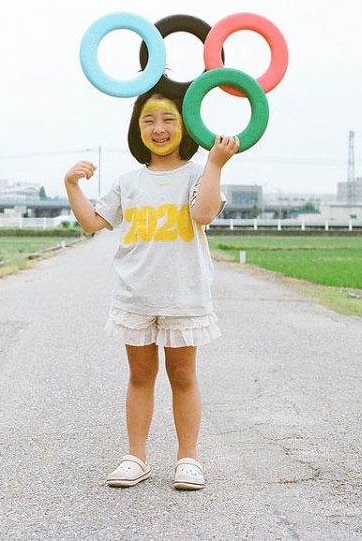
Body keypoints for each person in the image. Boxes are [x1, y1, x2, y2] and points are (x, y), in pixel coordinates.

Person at [64, 78, 239, 490]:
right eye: (148, 120)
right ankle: (136, 456)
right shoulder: (128, 181)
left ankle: (188, 459)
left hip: (184, 296)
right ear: (137, 129)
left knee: (183, 377)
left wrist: (215, 164)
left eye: (167, 119)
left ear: (186, 125)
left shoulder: (199, 172)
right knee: (140, 377)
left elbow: (204, 214)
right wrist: (71, 185)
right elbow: (92, 222)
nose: (158, 128)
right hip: (135, 296)